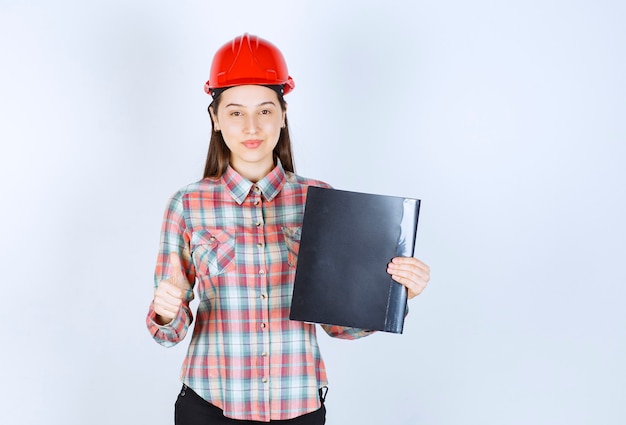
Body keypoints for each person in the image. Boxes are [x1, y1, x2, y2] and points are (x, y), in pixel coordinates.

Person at [146, 33, 431, 425]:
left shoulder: (319, 200)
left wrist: (396, 293)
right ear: (215, 119)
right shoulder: (187, 205)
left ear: (282, 114)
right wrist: (165, 311)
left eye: (264, 110)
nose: (251, 126)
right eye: (235, 112)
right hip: (209, 408)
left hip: (297, 408)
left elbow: (339, 326)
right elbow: (168, 333)